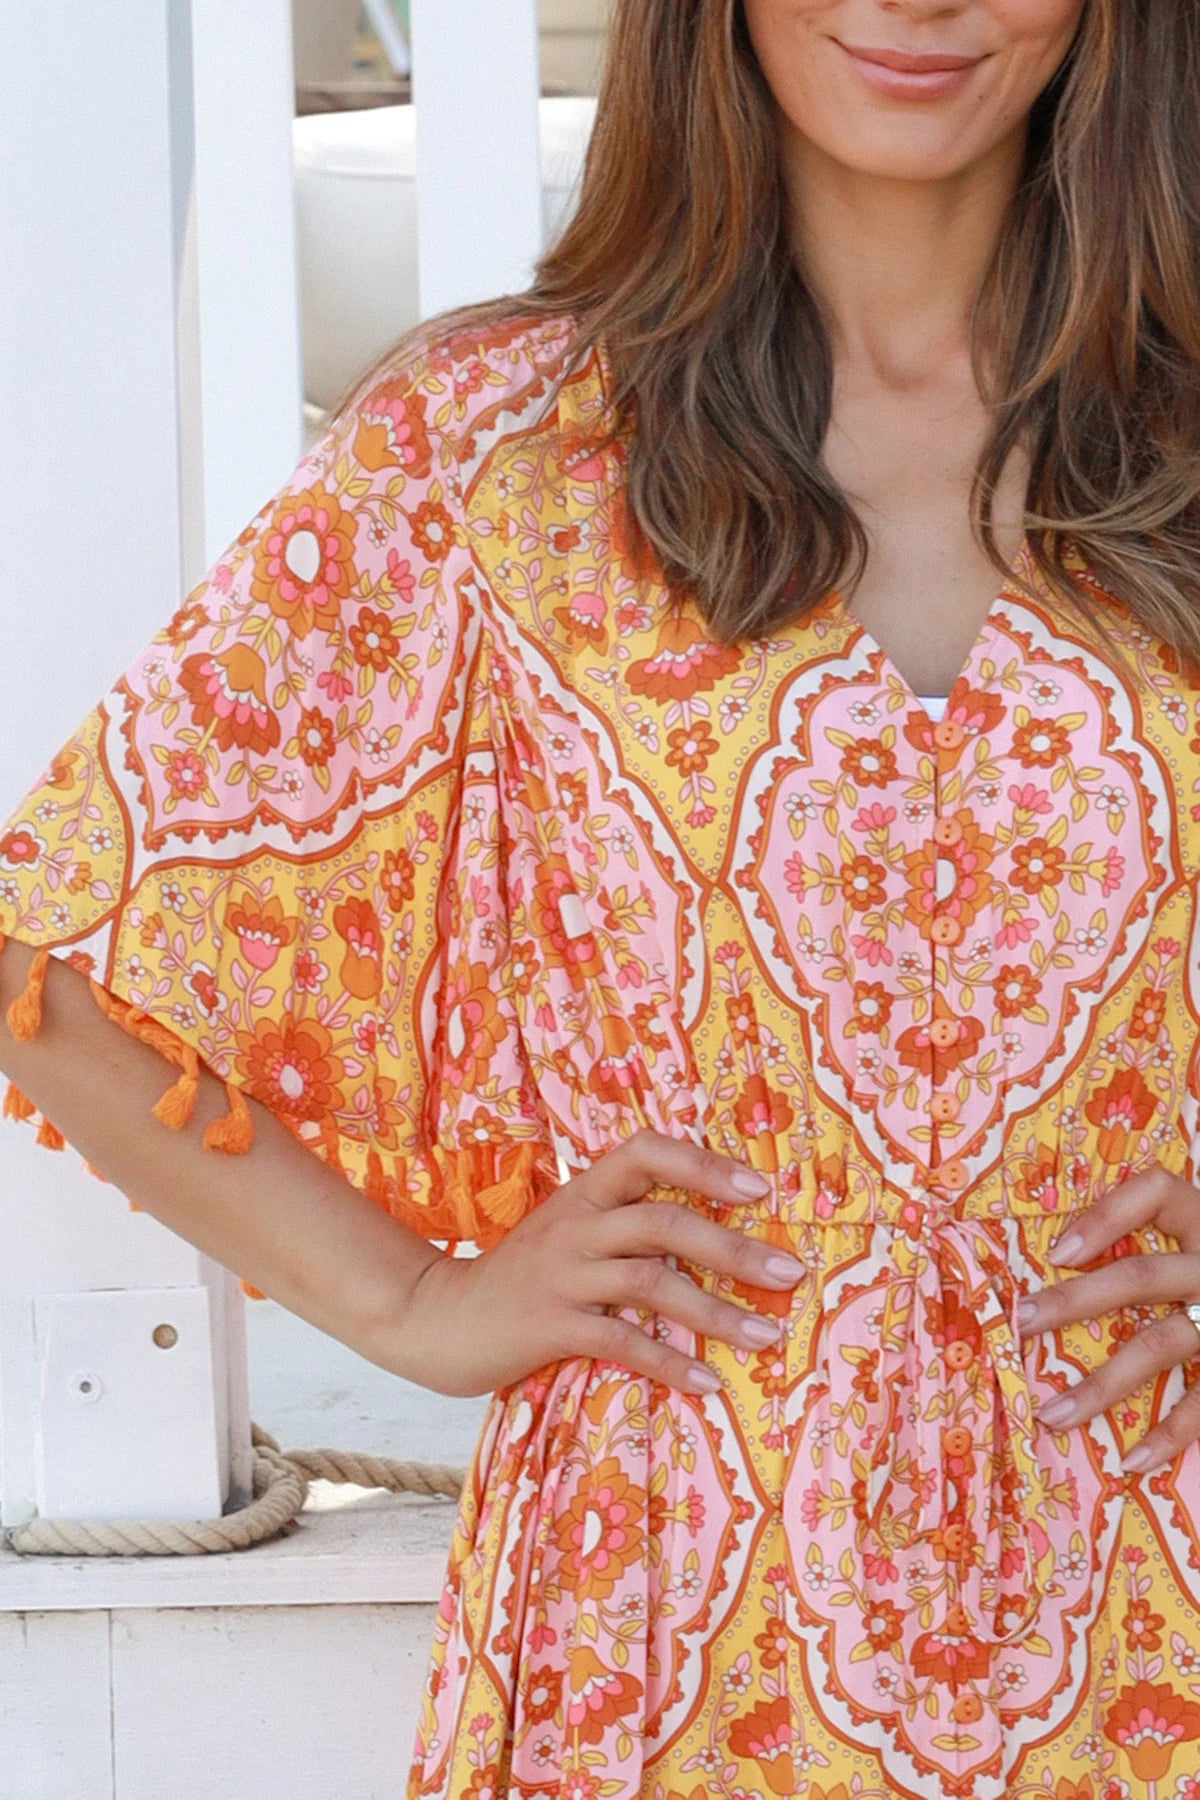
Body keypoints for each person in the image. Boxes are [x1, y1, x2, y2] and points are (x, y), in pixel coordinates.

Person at [3, 0, 1200, 1791]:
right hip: (656, 1595)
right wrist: (412, 1306)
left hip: (1157, 1565)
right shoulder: (498, 447)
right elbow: (62, 949)